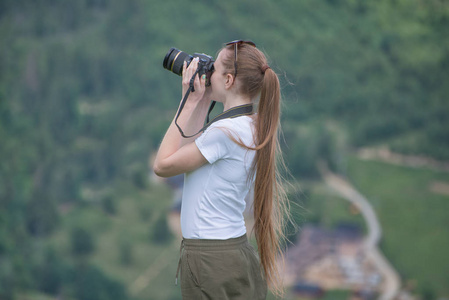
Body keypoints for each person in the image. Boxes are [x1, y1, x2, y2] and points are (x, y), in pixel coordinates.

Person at [153, 40, 289, 299]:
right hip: (235, 251)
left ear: (228, 81)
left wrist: (188, 102)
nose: (207, 73)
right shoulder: (251, 125)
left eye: (212, 68)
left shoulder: (224, 133)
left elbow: (163, 165)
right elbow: (191, 149)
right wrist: (203, 102)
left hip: (209, 260)